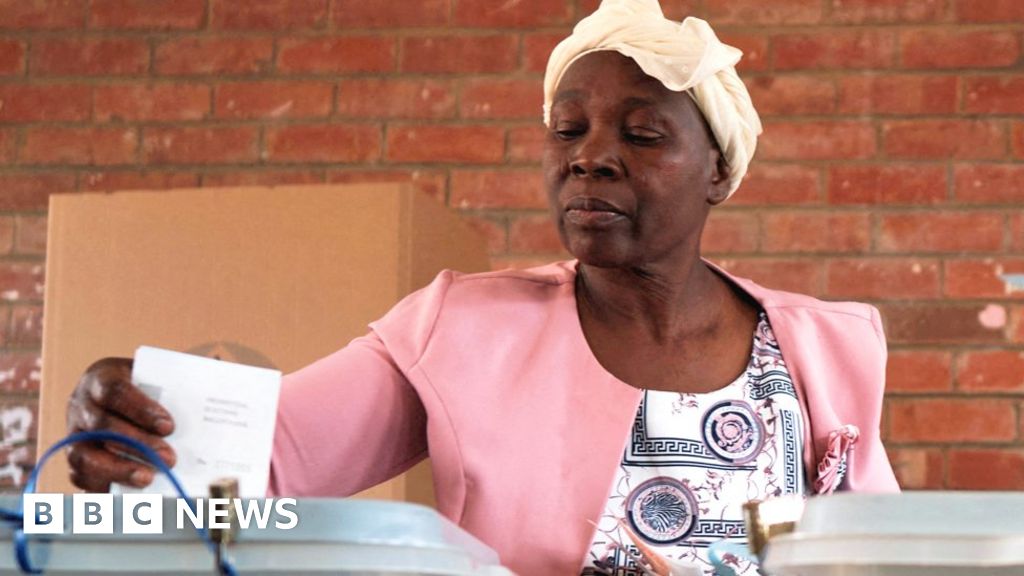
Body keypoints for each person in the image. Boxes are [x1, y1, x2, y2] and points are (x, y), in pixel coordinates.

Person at [64, 1, 899, 574]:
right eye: (567, 129)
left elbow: (887, 554)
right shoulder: (459, 331)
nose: (590, 155)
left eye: (642, 134)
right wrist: (135, 416)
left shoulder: (816, 350)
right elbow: (259, 461)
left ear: (717, 171)